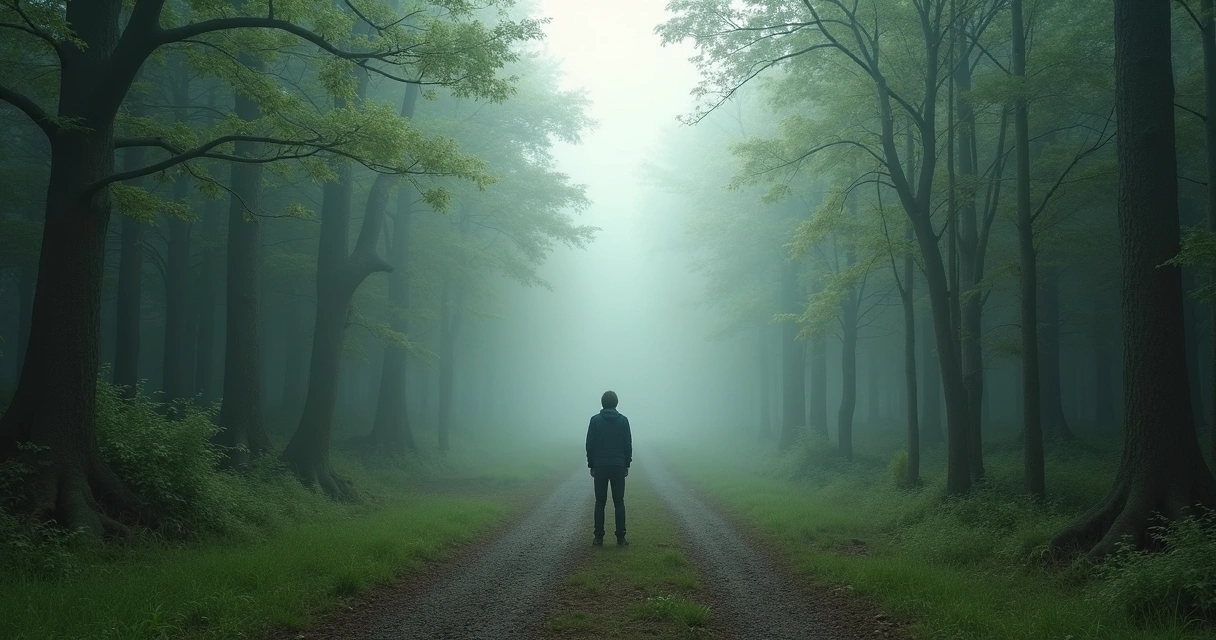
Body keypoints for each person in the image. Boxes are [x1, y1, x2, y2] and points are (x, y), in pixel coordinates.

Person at [585, 390, 632, 547]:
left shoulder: (595, 420)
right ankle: (621, 538)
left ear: (602, 403)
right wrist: (627, 463)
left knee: (600, 502)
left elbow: (589, 445)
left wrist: (591, 464)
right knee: (619, 502)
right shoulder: (623, 421)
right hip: (618, 465)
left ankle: (598, 538)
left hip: (600, 465)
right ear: (616, 403)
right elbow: (627, 444)